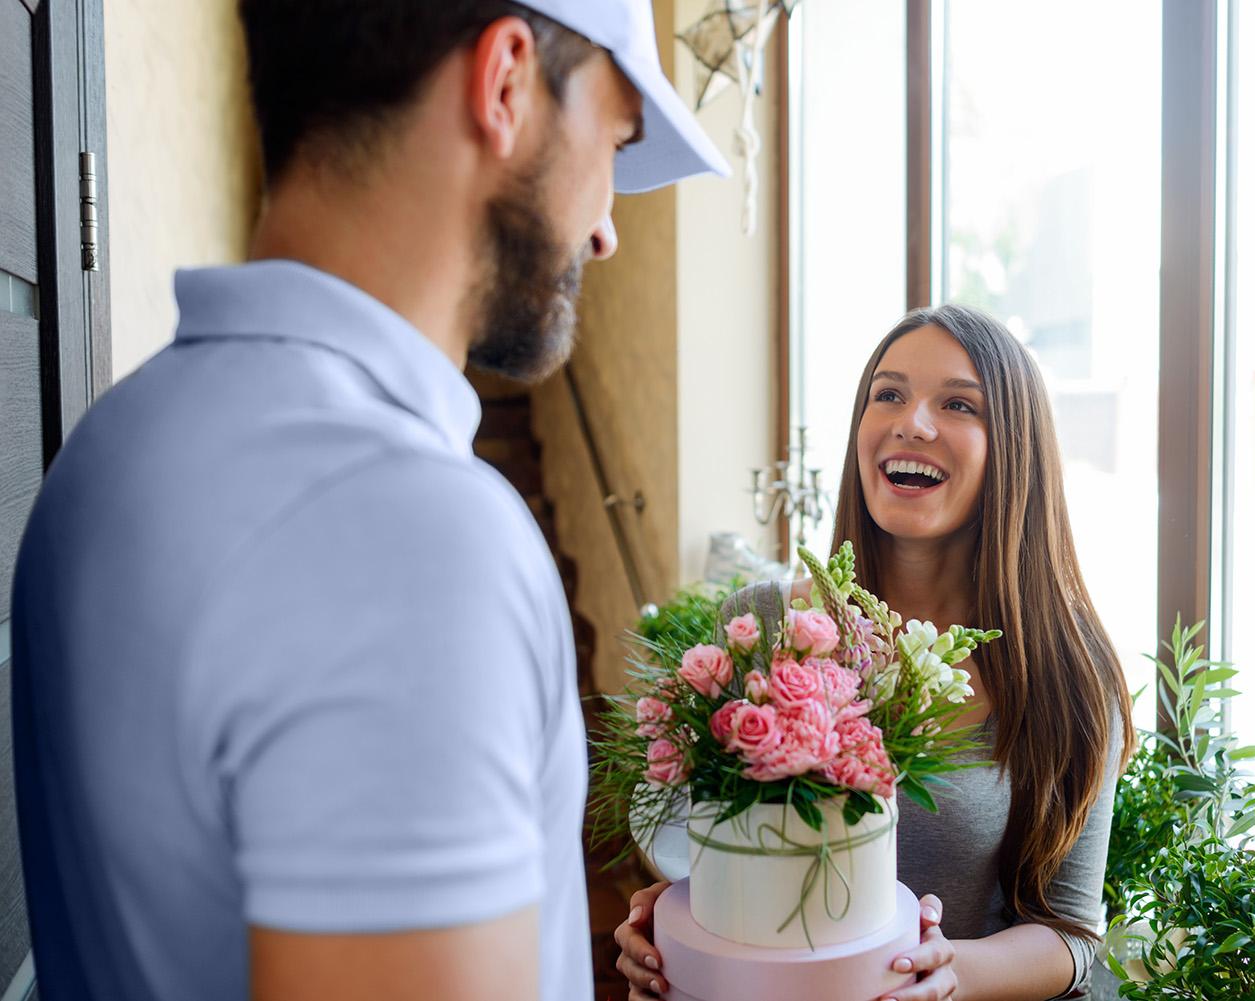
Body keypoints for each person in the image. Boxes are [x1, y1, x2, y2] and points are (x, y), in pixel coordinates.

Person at [9, 3, 727, 1000]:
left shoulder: (112, 443)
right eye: (612, 139)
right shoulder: (410, 539)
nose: (606, 229)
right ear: (507, 83)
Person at [614, 305, 1136, 1001]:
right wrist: (671, 927)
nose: (911, 421)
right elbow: (719, 855)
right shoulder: (759, 624)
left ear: (1015, 447)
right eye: (887, 394)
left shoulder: (1068, 668)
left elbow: (1071, 932)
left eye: (958, 404)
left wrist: (949, 973)